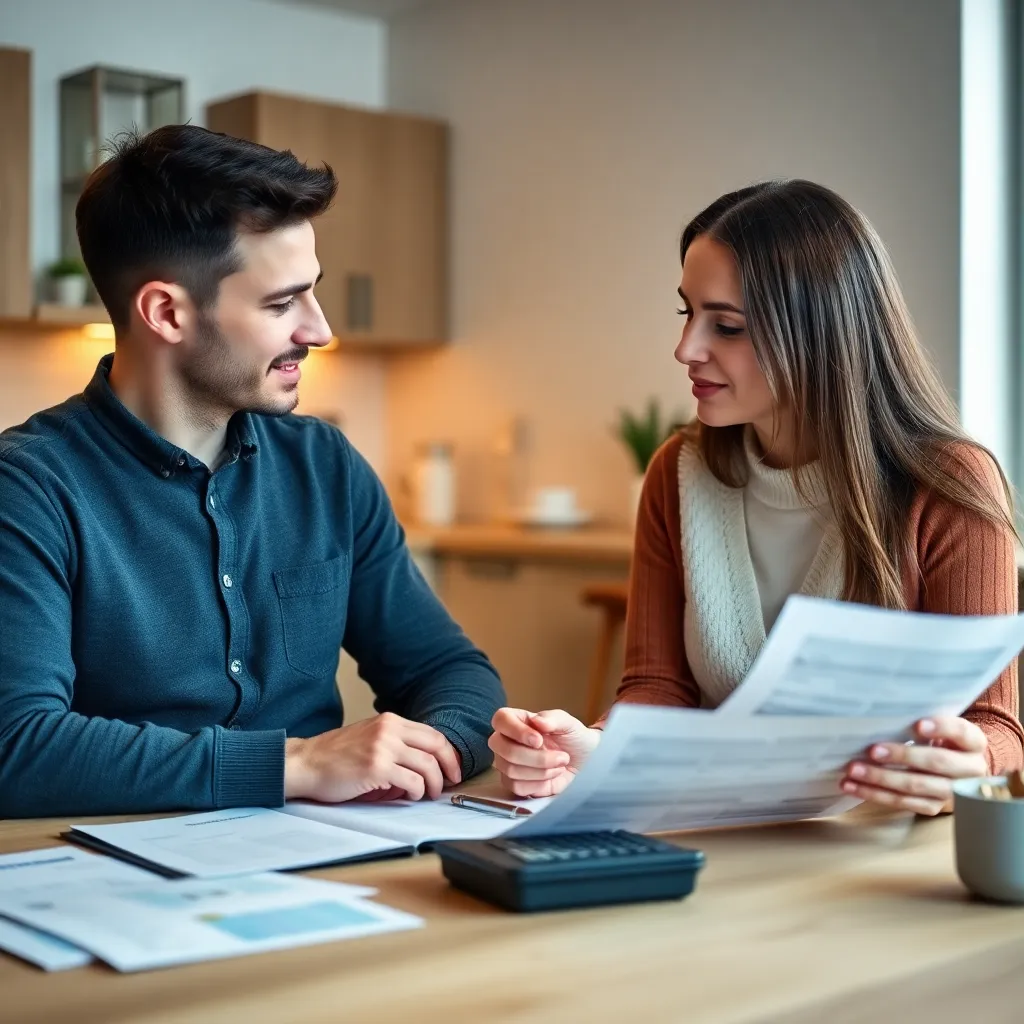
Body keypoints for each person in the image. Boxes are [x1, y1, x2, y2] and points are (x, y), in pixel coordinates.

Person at [0, 125, 505, 818]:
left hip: (323, 852)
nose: (321, 330)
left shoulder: (325, 465)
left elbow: (448, 672)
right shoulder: (27, 490)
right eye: (280, 303)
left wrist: (425, 752)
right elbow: (18, 748)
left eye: (313, 293)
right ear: (166, 313)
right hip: (113, 875)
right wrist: (293, 762)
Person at [490, 179, 1023, 817]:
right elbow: (660, 687)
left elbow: (999, 728)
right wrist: (597, 746)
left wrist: (971, 762)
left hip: (883, 852)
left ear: (820, 331)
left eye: (728, 326)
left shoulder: (947, 485)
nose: (686, 349)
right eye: (687, 312)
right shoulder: (677, 473)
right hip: (721, 834)